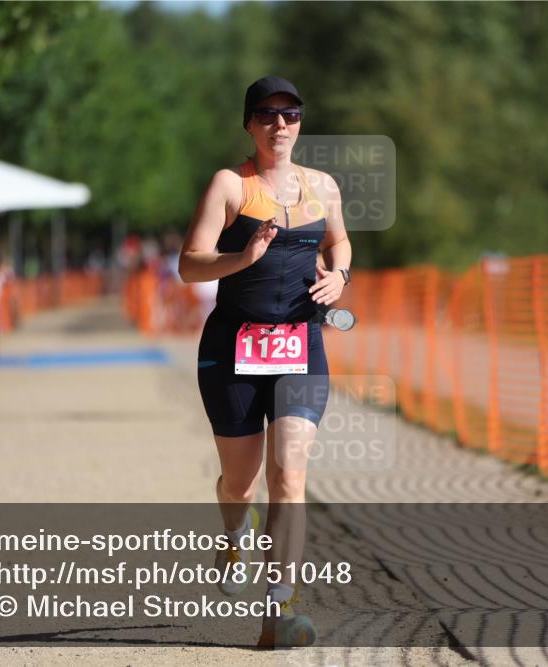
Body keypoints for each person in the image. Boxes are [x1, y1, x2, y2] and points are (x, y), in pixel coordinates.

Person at [179, 75, 352, 648]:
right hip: (232, 347)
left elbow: (340, 241)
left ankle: (283, 611)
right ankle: (234, 532)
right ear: (250, 124)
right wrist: (242, 255)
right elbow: (189, 265)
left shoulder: (322, 185)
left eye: (291, 114)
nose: (281, 125)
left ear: (301, 121)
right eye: (268, 115)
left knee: (290, 475)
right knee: (240, 482)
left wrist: (340, 275)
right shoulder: (231, 185)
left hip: (301, 344)